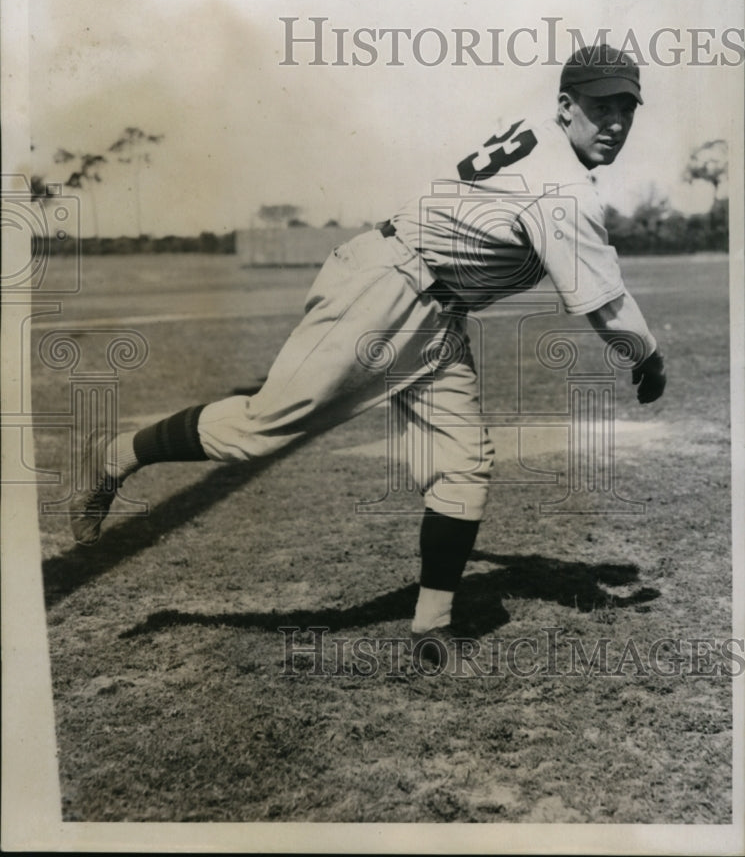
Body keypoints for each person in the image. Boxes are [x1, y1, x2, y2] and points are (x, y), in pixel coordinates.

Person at [69, 44, 666, 656]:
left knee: (464, 465)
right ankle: (116, 455)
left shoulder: (542, 137)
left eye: (626, 108)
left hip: (434, 308)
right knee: (259, 428)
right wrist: (646, 355)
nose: (616, 122)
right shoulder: (563, 185)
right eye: (601, 107)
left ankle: (432, 629)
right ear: (567, 107)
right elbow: (606, 303)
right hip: (391, 289)